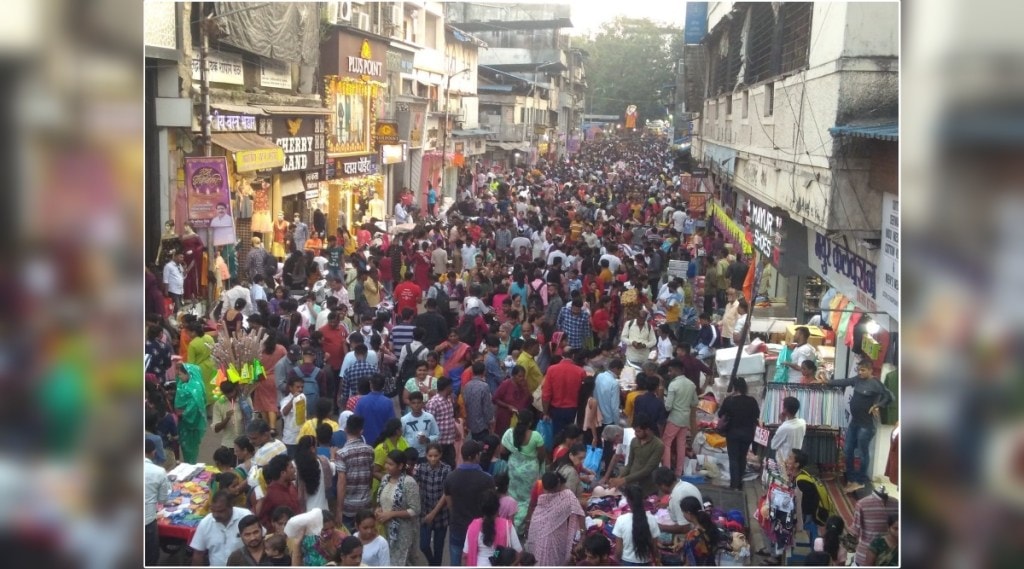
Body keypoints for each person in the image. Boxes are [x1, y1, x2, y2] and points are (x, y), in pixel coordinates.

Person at [824, 358, 894, 492]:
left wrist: (877, 405)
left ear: (870, 370)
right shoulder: (857, 379)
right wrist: (827, 382)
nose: (860, 372)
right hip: (854, 422)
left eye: (863, 370)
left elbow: (889, 397)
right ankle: (851, 478)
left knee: (862, 453)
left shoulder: (875, 384)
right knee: (847, 450)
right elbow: (844, 382)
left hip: (866, 426)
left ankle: (861, 481)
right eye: (859, 370)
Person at [444, 440, 498, 567]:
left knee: (456, 562)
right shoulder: (487, 479)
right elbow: (491, 505)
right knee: (477, 561)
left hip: (457, 527)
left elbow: (449, 504)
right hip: (480, 530)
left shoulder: (450, 477)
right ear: (475, 456)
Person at [524, 471, 586, 566]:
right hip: (538, 533)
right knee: (537, 558)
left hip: (557, 537)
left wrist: (582, 535)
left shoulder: (567, 496)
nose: (550, 493)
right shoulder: (540, 487)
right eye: (548, 490)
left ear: (558, 483)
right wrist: (528, 523)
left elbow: (580, 513)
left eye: (552, 490)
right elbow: (533, 506)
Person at [500, 408, 546, 530]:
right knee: (528, 498)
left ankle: (509, 520)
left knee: (513, 494)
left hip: (513, 468)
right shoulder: (536, 436)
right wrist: (537, 465)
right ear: (530, 423)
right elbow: (542, 455)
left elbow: (502, 451)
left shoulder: (509, 433)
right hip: (530, 471)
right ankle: (522, 524)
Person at [375, 449, 421, 565]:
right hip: (384, 529)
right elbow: (381, 500)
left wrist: (391, 514)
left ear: (400, 466)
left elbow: (415, 510)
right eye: (386, 463)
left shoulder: (408, 482)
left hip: (402, 533)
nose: (387, 466)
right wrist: (378, 509)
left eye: (390, 464)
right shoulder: (385, 479)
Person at [717, 376, 760, 490]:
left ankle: (734, 484)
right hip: (748, 434)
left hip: (733, 433)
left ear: (734, 387)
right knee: (742, 457)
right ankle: (739, 483)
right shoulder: (752, 401)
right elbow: (757, 415)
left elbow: (720, 414)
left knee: (733, 458)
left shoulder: (729, 400)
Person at [189, 491, 253, 566]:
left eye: (220, 511)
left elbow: (260, 541)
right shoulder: (205, 523)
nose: (216, 515)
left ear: (231, 506)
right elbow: (198, 554)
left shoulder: (245, 516)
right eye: (213, 511)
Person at [335, 415, 375, 532]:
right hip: (366, 504)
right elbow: (370, 477)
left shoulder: (342, 453)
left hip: (349, 507)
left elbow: (341, 483)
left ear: (346, 429)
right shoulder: (370, 450)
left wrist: (339, 509)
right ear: (361, 431)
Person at [608, 413, 664, 497]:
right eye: (635, 431)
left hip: (648, 488)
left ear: (647, 430)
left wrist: (623, 480)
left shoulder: (658, 445)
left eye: (638, 431)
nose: (635, 434)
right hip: (631, 485)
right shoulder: (634, 441)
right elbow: (629, 465)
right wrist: (619, 478)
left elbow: (647, 470)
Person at [462, 490, 522, 566]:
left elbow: (465, 555)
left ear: (481, 508)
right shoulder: (507, 526)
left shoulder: (473, 527)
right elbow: (519, 553)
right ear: (497, 507)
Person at [417, 443, 452, 566]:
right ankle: (433, 565)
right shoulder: (420, 468)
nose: (433, 458)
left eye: (436, 455)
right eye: (430, 455)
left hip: (441, 516)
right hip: (425, 513)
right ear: (426, 455)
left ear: (440, 455)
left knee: (438, 548)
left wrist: (433, 513)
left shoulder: (446, 469)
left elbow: (445, 494)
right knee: (424, 545)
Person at [662, 359, 698, 478]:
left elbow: (668, 406)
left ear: (676, 370)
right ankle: (679, 471)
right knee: (681, 444)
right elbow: (695, 402)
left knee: (666, 443)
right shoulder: (691, 384)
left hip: (674, 418)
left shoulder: (673, 384)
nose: (669, 373)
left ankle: (666, 470)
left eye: (670, 371)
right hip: (685, 418)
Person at [612, 483, 661, 566]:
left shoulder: (621, 520)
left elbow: (618, 551)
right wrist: (657, 560)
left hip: (626, 562)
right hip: (646, 563)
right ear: (643, 500)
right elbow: (654, 548)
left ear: (627, 501)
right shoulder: (652, 519)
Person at [280, 507, 348, 566]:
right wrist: (297, 544)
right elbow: (296, 561)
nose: (330, 531)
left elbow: (343, 563)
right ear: (316, 528)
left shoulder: (341, 538)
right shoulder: (308, 537)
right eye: (325, 529)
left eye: (332, 527)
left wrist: (330, 548)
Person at [542, 351, 587, 436]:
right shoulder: (580, 372)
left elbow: (546, 394)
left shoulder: (552, 369)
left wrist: (545, 412)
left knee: (557, 435)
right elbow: (583, 394)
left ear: (562, 357)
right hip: (573, 410)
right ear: (573, 356)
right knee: (571, 435)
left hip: (555, 410)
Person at [852, 488, 899, 566]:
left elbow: (855, 531)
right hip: (866, 556)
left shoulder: (896, 504)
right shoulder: (862, 504)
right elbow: (855, 531)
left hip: (890, 557)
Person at [256, 454, 301, 532]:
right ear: (283, 473)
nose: (294, 470)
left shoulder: (292, 486)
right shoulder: (270, 494)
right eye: (291, 467)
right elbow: (263, 520)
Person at [173, 361, 208, 464]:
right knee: (184, 446)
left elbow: (195, 406)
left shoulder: (195, 389)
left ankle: (191, 466)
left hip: (190, 423)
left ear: (189, 374)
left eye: (180, 374)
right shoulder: (184, 384)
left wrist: (182, 414)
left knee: (190, 448)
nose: (179, 377)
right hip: (182, 422)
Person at [653, 466, 703, 536]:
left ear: (663, 485)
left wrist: (658, 526)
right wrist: (667, 505)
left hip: (692, 532)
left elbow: (684, 528)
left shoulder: (676, 496)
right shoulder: (685, 484)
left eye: (659, 487)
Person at [144, 438, 171, 566]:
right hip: (147, 522)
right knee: (150, 558)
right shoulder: (159, 472)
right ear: (153, 452)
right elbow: (162, 500)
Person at [295, 435, 335, 513]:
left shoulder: (295, 466)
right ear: (313, 449)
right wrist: (333, 456)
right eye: (316, 446)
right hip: (323, 510)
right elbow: (333, 468)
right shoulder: (323, 461)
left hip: (306, 512)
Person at [424, 377, 458, 468]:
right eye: (451, 386)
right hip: (439, 443)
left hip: (449, 440)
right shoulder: (433, 403)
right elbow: (429, 424)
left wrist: (456, 430)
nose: (452, 388)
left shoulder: (449, 400)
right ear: (447, 387)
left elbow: (450, 417)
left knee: (451, 465)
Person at [679, 496, 722, 566]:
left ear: (688, 513)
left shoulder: (692, 535)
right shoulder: (708, 525)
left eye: (683, 512)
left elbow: (689, 562)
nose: (683, 515)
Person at [355, 375, 396, 446]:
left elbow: (356, 422)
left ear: (370, 384)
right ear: (383, 386)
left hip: (365, 442)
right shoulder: (388, 402)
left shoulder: (361, 402)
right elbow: (392, 424)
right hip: (383, 444)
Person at [492, 364, 531, 437]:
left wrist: (525, 388)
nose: (522, 378)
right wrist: (508, 406)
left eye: (523, 376)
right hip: (505, 417)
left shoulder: (523, 385)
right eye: (519, 376)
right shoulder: (506, 384)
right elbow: (495, 399)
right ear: (513, 376)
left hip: (518, 418)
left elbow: (529, 400)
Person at [463, 361, 497, 441]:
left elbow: (466, 403)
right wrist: (490, 421)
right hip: (482, 424)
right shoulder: (484, 386)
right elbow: (486, 407)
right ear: (484, 372)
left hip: (471, 422)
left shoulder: (467, 385)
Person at [770, 396, 807, 467]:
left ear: (785, 410)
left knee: (785, 477)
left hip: (785, 462)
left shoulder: (784, 427)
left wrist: (782, 422)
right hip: (795, 460)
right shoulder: (803, 422)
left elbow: (773, 445)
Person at [401, 390, 439, 456]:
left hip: (426, 454)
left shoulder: (429, 417)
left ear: (423, 403)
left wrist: (427, 439)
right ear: (410, 404)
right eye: (413, 403)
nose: (416, 405)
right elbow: (401, 438)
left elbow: (437, 435)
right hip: (410, 456)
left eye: (419, 403)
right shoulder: (404, 419)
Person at [280, 376, 308, 456]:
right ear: (290, 388)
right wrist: (293, 399)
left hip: (302, 436)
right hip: (291, 439)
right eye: (297, 387)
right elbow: (284, 412)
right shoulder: (285, 400)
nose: (300, 389)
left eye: (302, 387)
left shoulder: (303, 398)